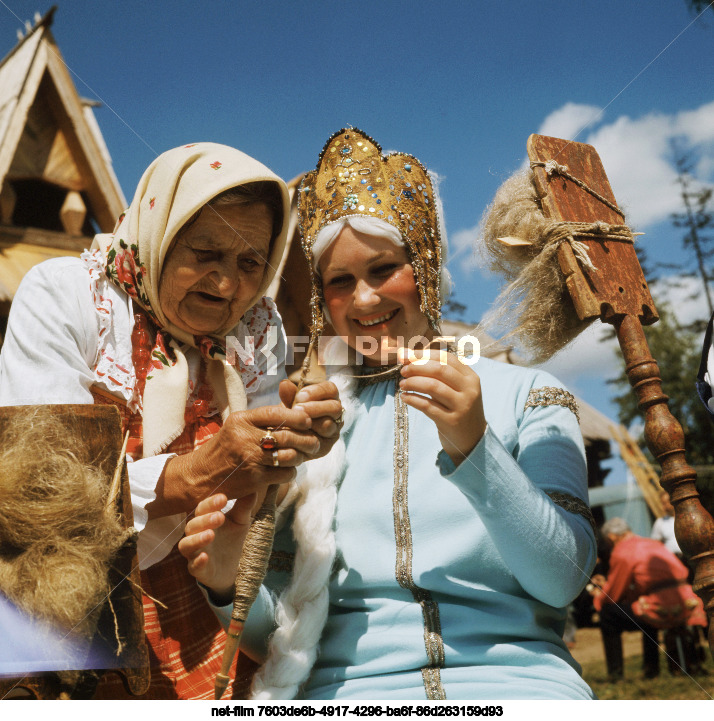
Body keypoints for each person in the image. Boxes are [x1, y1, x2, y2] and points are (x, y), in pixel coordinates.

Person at [180, 128, 598, 700]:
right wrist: (226, 581)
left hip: (515, 688)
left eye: (383, 270)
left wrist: (475, 447)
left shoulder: (530, 395)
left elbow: (561, 582)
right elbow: (278, 644)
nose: (365, 300)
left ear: (425, 268)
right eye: (340, 282)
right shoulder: (309, 423)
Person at [0, 143, 341, 699]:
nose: (227, 284)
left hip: (198, 603)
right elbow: (40, 490)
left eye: (251, 262)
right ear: (158, 230)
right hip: (60, 603)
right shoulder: (69, 296)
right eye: (205, 252)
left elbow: (238, 502)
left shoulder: (256, 330)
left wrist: (287, 444)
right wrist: (192, 474)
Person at [589, 517, 706, 680]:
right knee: (641, 607)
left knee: (608, 615)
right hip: (687, 600)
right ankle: (651, 669)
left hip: (661, 605)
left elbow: (614, 593)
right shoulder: (653, 544)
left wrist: (598, 598)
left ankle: (616, 674)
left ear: (612, 537)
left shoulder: (622, 550)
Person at [650, 490, 683, 558]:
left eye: (666, 503)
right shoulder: (660, 522)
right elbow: (654, 544)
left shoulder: (684, 517)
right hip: (672, 559)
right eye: (663, 503)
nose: (664, 507)